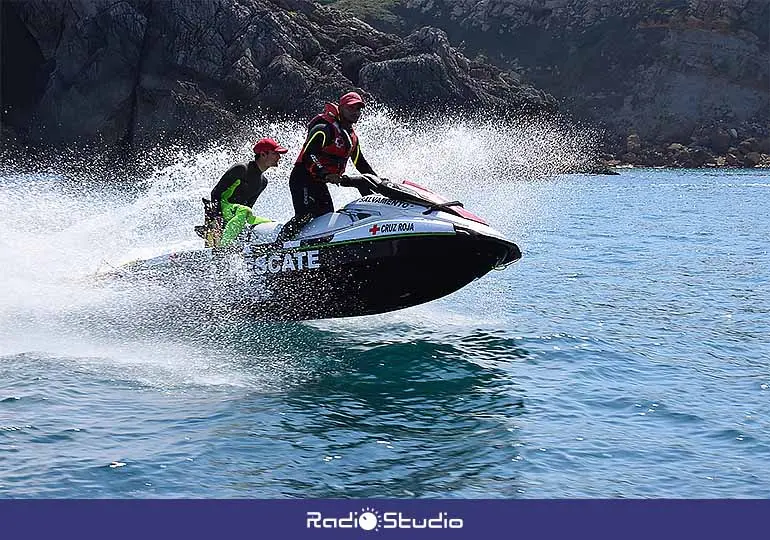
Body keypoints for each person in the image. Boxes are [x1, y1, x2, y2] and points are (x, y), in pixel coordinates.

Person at [288, 91, 377, 222]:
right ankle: (279, 243)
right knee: (304, 217)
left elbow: (361, 164)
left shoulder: (352, 138)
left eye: (358, 109)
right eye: (350, 107)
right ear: (340, 108)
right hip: (302, 177)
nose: (355, 112)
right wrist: (325, 174)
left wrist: (378, 180)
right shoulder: (324, 128)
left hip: (319, 181)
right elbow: (309, 155)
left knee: (326, 217)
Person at [207, 137, 288, 248]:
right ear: (263, 154)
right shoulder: (241, 169)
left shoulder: (263, 182)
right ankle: (222, 248)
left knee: (270, 223)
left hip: (238, 214)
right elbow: (215, 193)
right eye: (275, 154)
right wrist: (216, 219)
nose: (279, 157)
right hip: (223, 207)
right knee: (245, 211)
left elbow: (249, 204)